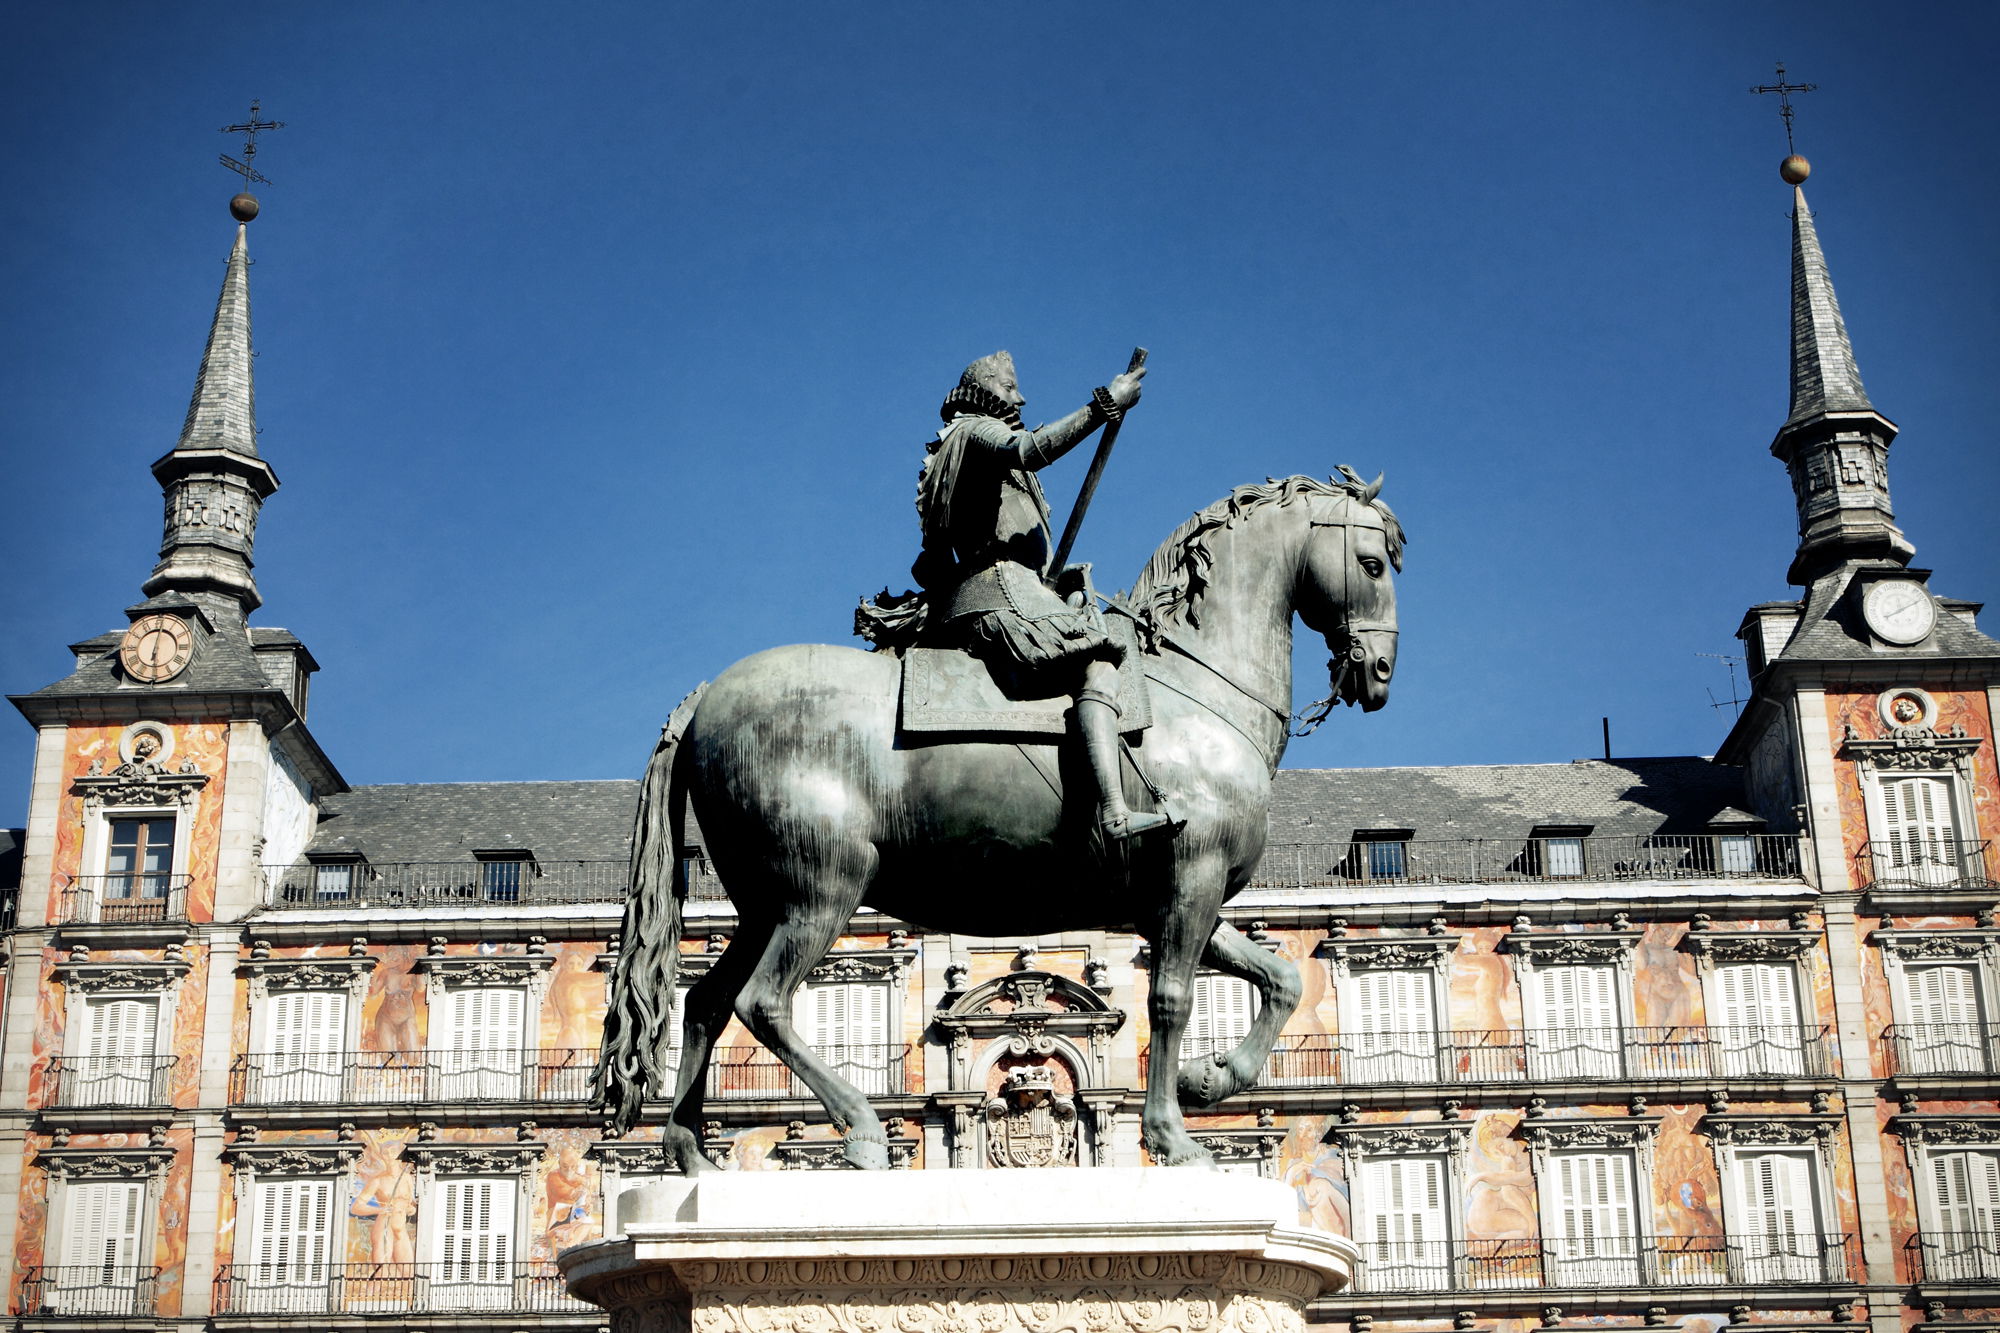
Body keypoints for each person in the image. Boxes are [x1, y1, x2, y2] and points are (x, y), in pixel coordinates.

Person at [912, 350, 1168, 847]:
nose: (1021, 396)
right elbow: (1030, 449)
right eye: (1010, 388)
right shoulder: (975, 431)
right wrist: (1105, 405)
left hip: (1021, 585)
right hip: (999, 588)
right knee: (1097, 665)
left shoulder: (978, 443)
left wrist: (1052, 579)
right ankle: (1114, 812)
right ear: (987, 392)